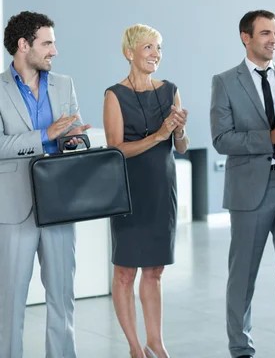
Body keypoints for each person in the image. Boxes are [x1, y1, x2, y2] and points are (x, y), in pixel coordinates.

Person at [210, 10, 275, 358]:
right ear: (245, 37)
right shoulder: (224, 82)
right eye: (265, 33)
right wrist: (271, 137)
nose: (273, 40)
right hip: (250, 191)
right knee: (243, 276)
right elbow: (221, 139)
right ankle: (241, 348)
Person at [0, 11, 91, 358]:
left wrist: (74, 139)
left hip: (60, 205)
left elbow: (74, 131)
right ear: (24, 45)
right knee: (9, 305)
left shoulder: (63, 84)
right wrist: (43, 136)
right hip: (14, 209)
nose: (54, 51)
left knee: (62, 301)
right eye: (47, 43)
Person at [103, 24, 189, 358]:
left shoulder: (170, 90)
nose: (156, 54)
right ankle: (135, 347)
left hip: (161, 189)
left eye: (159, 48)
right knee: (125, 271)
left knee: (155, 271)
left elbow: (181, 146)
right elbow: (116, 149)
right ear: (130, 53)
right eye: (148, 48)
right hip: (128, 192)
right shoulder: (114, 94)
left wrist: (179, 131)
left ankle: (156, 342)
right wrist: (158, 134)